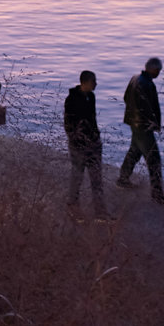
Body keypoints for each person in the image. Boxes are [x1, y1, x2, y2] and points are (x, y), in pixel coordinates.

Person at [117, 57, 164, 205]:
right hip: (143, 127)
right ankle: (157, 194)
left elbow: (125, 97)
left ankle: (123, 178)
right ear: (154, 70)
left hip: (134, 124)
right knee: (154, 160)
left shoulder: (135, 79)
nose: (158, 73)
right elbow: (148, 107)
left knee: (135, 151)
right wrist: (152, 123)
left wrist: (133, 116)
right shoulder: (147, 84)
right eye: (158, 71)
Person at [64, 70, 113, 221]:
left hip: (93, 144)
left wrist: (96, 138)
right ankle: (72, 206)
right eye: (93, 81)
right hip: (78, 146)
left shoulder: (91, 97)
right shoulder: (71, 100)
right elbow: (68, 125)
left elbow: (92, 120)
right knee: (77, 177)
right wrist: (76, 141)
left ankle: (100, 212)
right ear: (85, 82)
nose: (96, 84)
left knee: (96, 178)